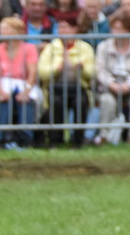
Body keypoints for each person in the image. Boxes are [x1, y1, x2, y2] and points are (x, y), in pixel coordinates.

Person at [38, 15, 96, 146]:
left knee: (80, 103)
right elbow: (42, 72)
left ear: (75, 29)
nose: (62, 30)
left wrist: (81, 68)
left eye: (66, 27)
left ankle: (77, 140)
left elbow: (92, 72)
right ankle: (55, 140)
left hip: (78, 88)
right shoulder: (51, 48)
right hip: (56, 88)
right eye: (60, 27)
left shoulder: (85, 48)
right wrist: (56, 68)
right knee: (56, 103)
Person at [95, 13, 130, 145]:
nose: (117, 32)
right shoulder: (103, 47)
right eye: (115, 28)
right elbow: (100, 71)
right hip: (110, 86)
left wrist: (128, 84)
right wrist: (111, 83)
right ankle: (104, 136)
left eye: (121, 29)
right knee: (107, 100)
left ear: (129, 30)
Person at [0, 14, 40, 148]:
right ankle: (1, 138)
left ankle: (26, 138)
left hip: (23, 82)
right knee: (3, 99)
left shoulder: (29, 48)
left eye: (5, 29)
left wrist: (26, 91)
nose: (1, 32)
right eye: (1, 29)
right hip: (2, 83)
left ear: (16, 31)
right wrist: (0, 90)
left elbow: (32, 72)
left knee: (26, 100)